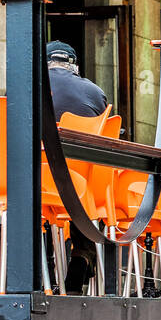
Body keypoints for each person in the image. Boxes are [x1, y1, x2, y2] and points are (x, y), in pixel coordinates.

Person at [44, 40, 105, 291]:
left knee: (24, 193)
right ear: (75, 66)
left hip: (35, 180)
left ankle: (41, 267)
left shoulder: (24, 85)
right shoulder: (94, 91)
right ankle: (81, 253)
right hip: (80, 184)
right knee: (81, 188)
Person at [46, 41, 107, 119]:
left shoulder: (31, 90)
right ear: (75, 66)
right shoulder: (96, 92)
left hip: (44, 131)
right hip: (84, 130)